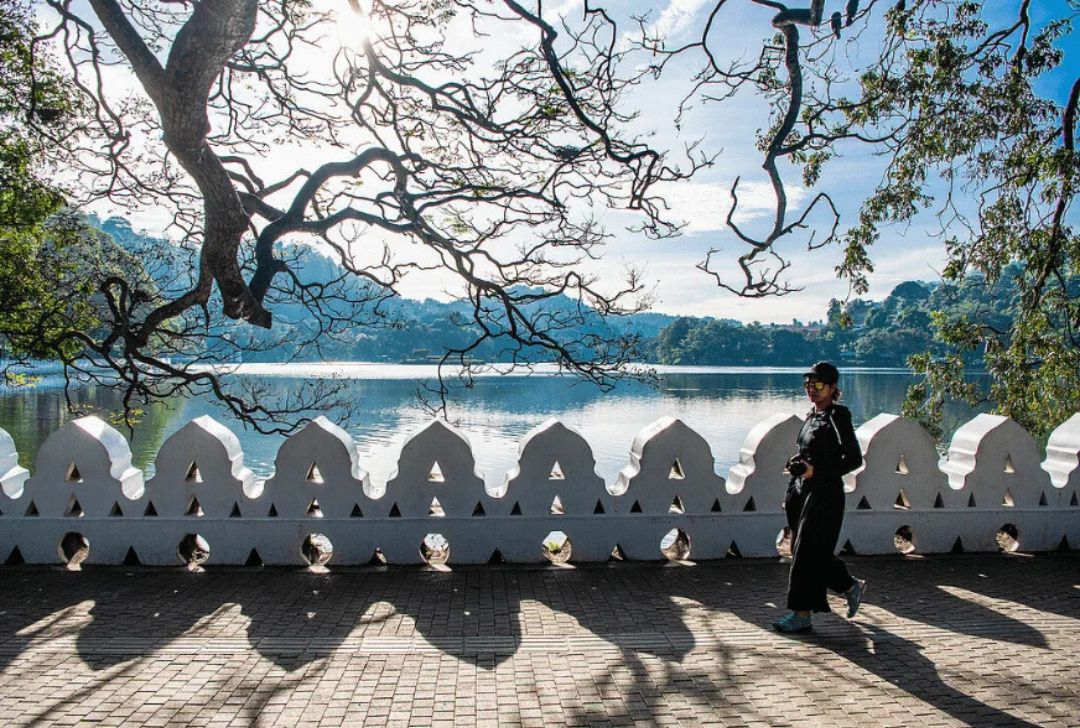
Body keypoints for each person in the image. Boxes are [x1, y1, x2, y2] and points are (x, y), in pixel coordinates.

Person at [773, 361, 867, 633]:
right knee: (807, 551)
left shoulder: (838, 417)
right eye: (808, 384)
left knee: (805, 555)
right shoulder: (811, 416)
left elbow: (853, 459)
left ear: (833, 388)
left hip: (825, 495)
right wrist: (798, 465)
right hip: (801, 491)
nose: (811, 390)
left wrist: (818, 470)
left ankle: (801, 614)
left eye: (818, 385)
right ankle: (849, 586)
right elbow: (810, 451)